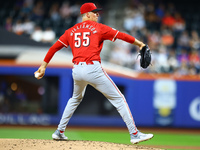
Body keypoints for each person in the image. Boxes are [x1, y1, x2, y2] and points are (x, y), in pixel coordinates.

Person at [34, 3, 153, 144]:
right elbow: (121, 36)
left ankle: (59, 131)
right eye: (94, 12)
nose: (97, 14)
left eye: (97, 12)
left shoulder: (70, 31)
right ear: (87, 14)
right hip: (92, 68)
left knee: (75, 99)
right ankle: (134, 134)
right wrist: (140, 44)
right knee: (119, 99)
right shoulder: (99, 28)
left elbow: (54, 48)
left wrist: (43, 66)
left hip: (77, 70)